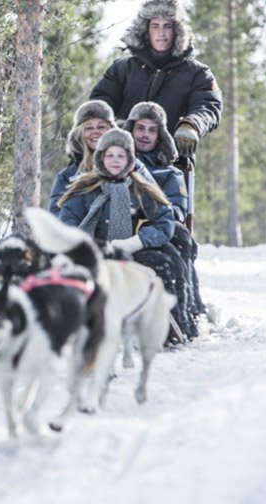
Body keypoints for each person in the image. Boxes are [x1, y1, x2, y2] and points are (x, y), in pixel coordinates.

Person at [90, 0, 223, 230]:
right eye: (155, 26)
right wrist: (108, 131)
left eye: (167, 26)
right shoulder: (122, 69)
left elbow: (208, 106)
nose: (161, 33)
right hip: (121, 160)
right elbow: (99, 105)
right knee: (109, 222)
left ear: (177, 30)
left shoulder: (198, 74)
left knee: (170, 225)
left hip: (169, 163)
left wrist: (192, 125)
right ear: (145, 30)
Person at [57, 128, 190, 344]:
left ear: (130, 158)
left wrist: (136, 242)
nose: (115, 160)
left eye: (121, 155)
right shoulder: (84, 187)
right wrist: (85, 247)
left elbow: (164, 222)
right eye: (110, 155)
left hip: (128, 251)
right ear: (100, 158)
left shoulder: (142, 186)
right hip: (92, 253)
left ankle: (169, 330)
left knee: (163, 263)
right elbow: (67, 224)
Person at [123, 101, 204, 337]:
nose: (145, 135)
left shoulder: (170, 173)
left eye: (152, 130)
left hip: (158, 230)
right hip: (120, 230)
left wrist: (148, 217)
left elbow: (176, 211)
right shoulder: (115, 161)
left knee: (180, 237)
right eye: (140, 128)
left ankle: (187, 311)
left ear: (160, 135)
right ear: (130, 130)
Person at [47, 100, 116, 215]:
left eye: (101, 127)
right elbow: (55, 216)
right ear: (80, 133)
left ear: (111, 131)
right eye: (89, 128)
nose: (95, 132)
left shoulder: (128, 168)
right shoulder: (67, 176)